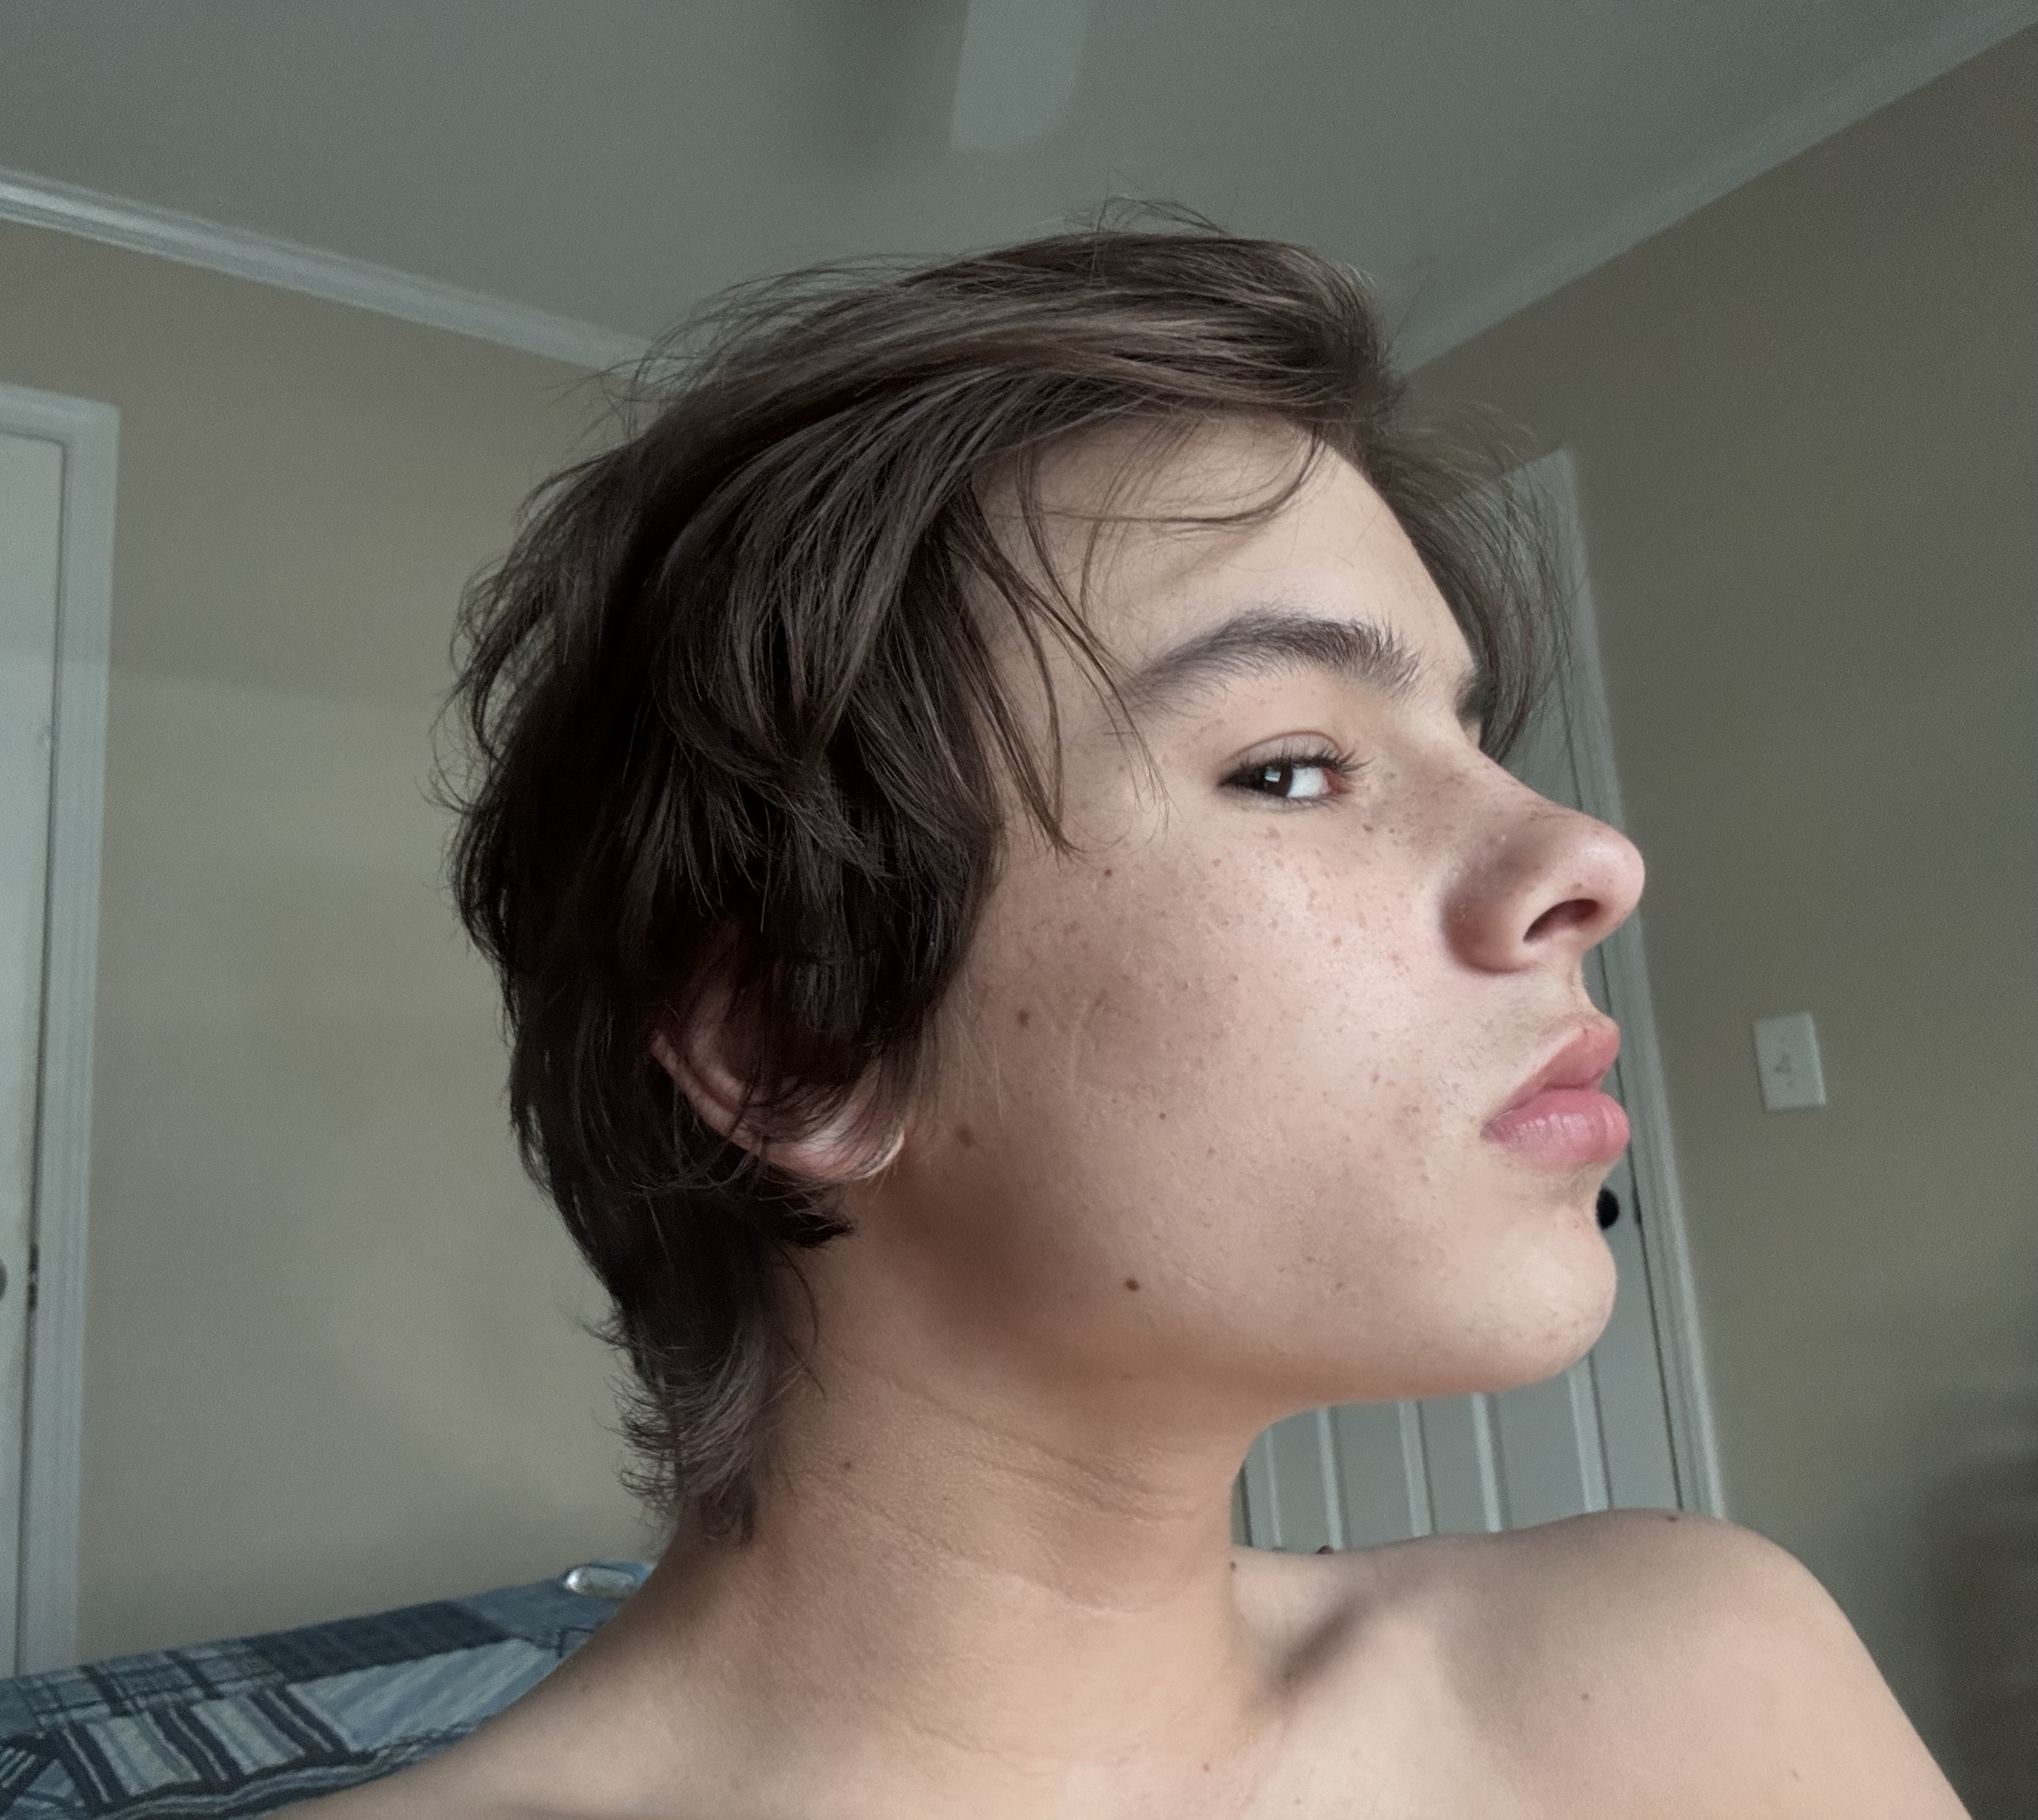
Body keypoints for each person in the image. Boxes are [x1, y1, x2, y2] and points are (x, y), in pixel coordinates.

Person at [305, 222, 1968, 1818]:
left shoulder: (1701, 1673)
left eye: (1474, 738)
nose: (1589, 858)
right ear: (799, 1044)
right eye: (1293, 768)